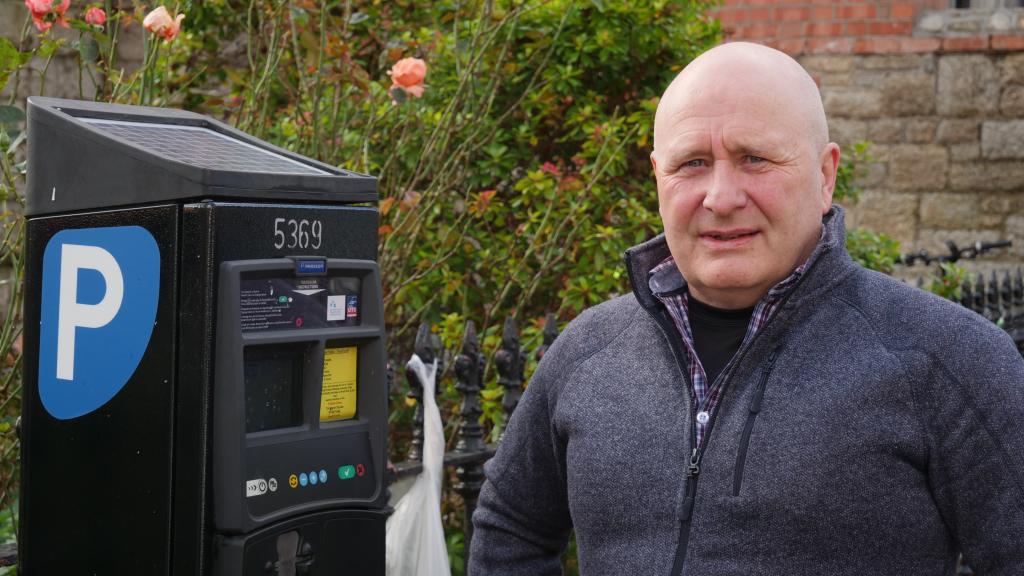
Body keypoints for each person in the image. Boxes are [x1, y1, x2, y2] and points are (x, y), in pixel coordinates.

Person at [469, 42, 1024, 575]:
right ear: (658, 177)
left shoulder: (946, 359)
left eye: (754, 159)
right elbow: (511, 528)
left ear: (825, 176)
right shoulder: (589, 352)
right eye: (691, 163)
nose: (721, 197)